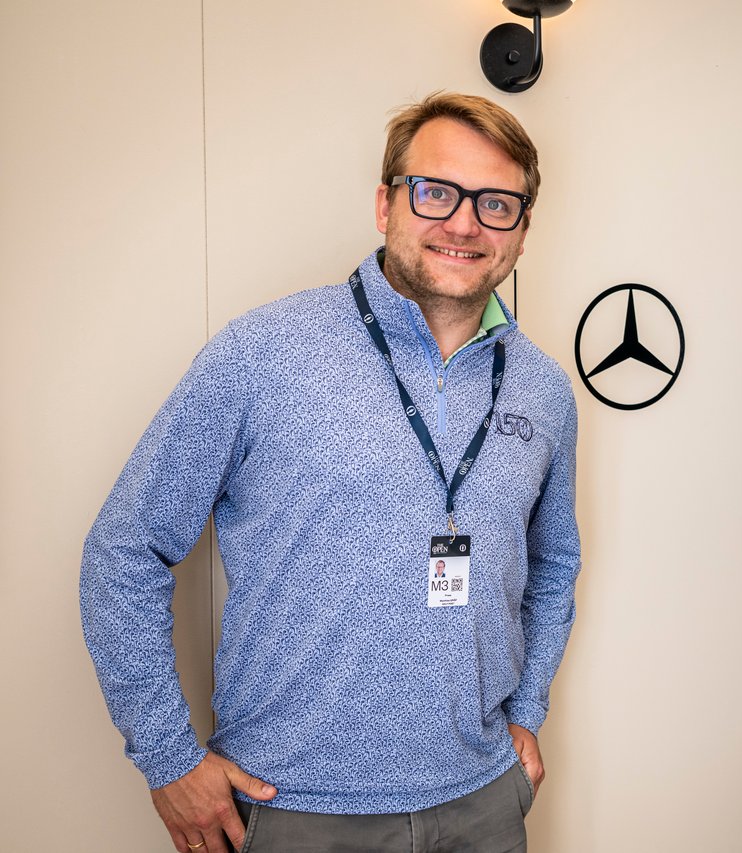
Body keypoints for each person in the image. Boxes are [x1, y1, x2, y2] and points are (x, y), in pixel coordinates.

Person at [81, 92, 580, 853]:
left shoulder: (543, 389)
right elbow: (123, 548)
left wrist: (527, 712)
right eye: (436, 191)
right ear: (386, 203)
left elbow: (553, 563)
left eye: (497, 203)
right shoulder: (264, 352)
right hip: (293, 808)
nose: (465, 222)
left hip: (481, 804)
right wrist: (167, 757)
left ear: (521, 231)